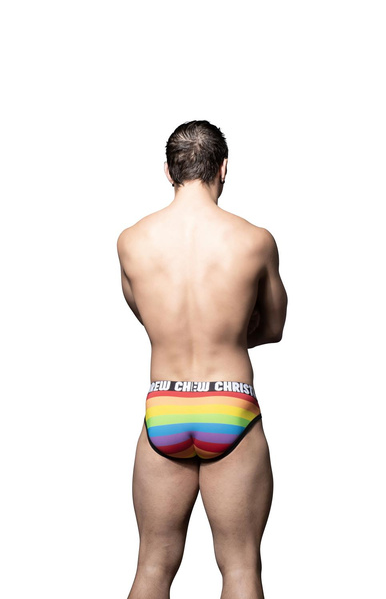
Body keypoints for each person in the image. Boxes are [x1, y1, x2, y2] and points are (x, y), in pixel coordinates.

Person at [117, 120, 288, 599]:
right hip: (229, 403)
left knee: (152, 565)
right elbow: (273, 328)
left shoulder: (131, 240)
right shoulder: (255, 240)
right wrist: (230, 333)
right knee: (241, 567)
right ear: (223, 169)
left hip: (165, 405)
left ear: (168, 170)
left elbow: (147, 317)